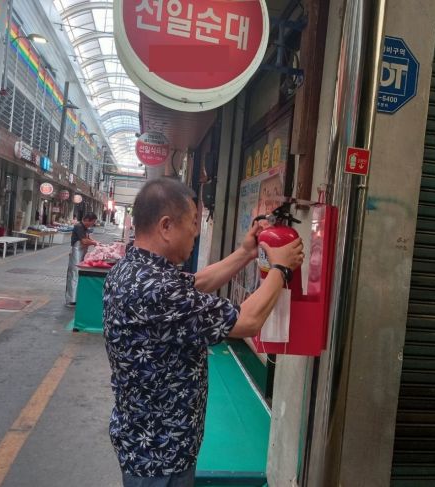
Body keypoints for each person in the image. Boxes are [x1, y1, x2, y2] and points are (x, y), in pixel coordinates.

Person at [103, 178, 303, 486]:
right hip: (161, 457)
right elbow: (248, 321)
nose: (197, 231)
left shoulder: (132, 269)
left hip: (143, 444)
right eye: (193, 222)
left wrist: (246, 253)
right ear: (166, 226)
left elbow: (196, 283)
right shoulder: (157, 290)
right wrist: (280, 269)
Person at [65, 212, 99, 307]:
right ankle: (71, 300)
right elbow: (84, 241)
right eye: (92, 222)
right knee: (74, 274)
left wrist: (93, 241)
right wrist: (95, 243)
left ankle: (75, 297)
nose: (93, 224)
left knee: (78, 274)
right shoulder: (79, 226)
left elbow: (87, 238)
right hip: (76, 253)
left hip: (81, 253)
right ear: (87, 220)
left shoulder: (85, 228)